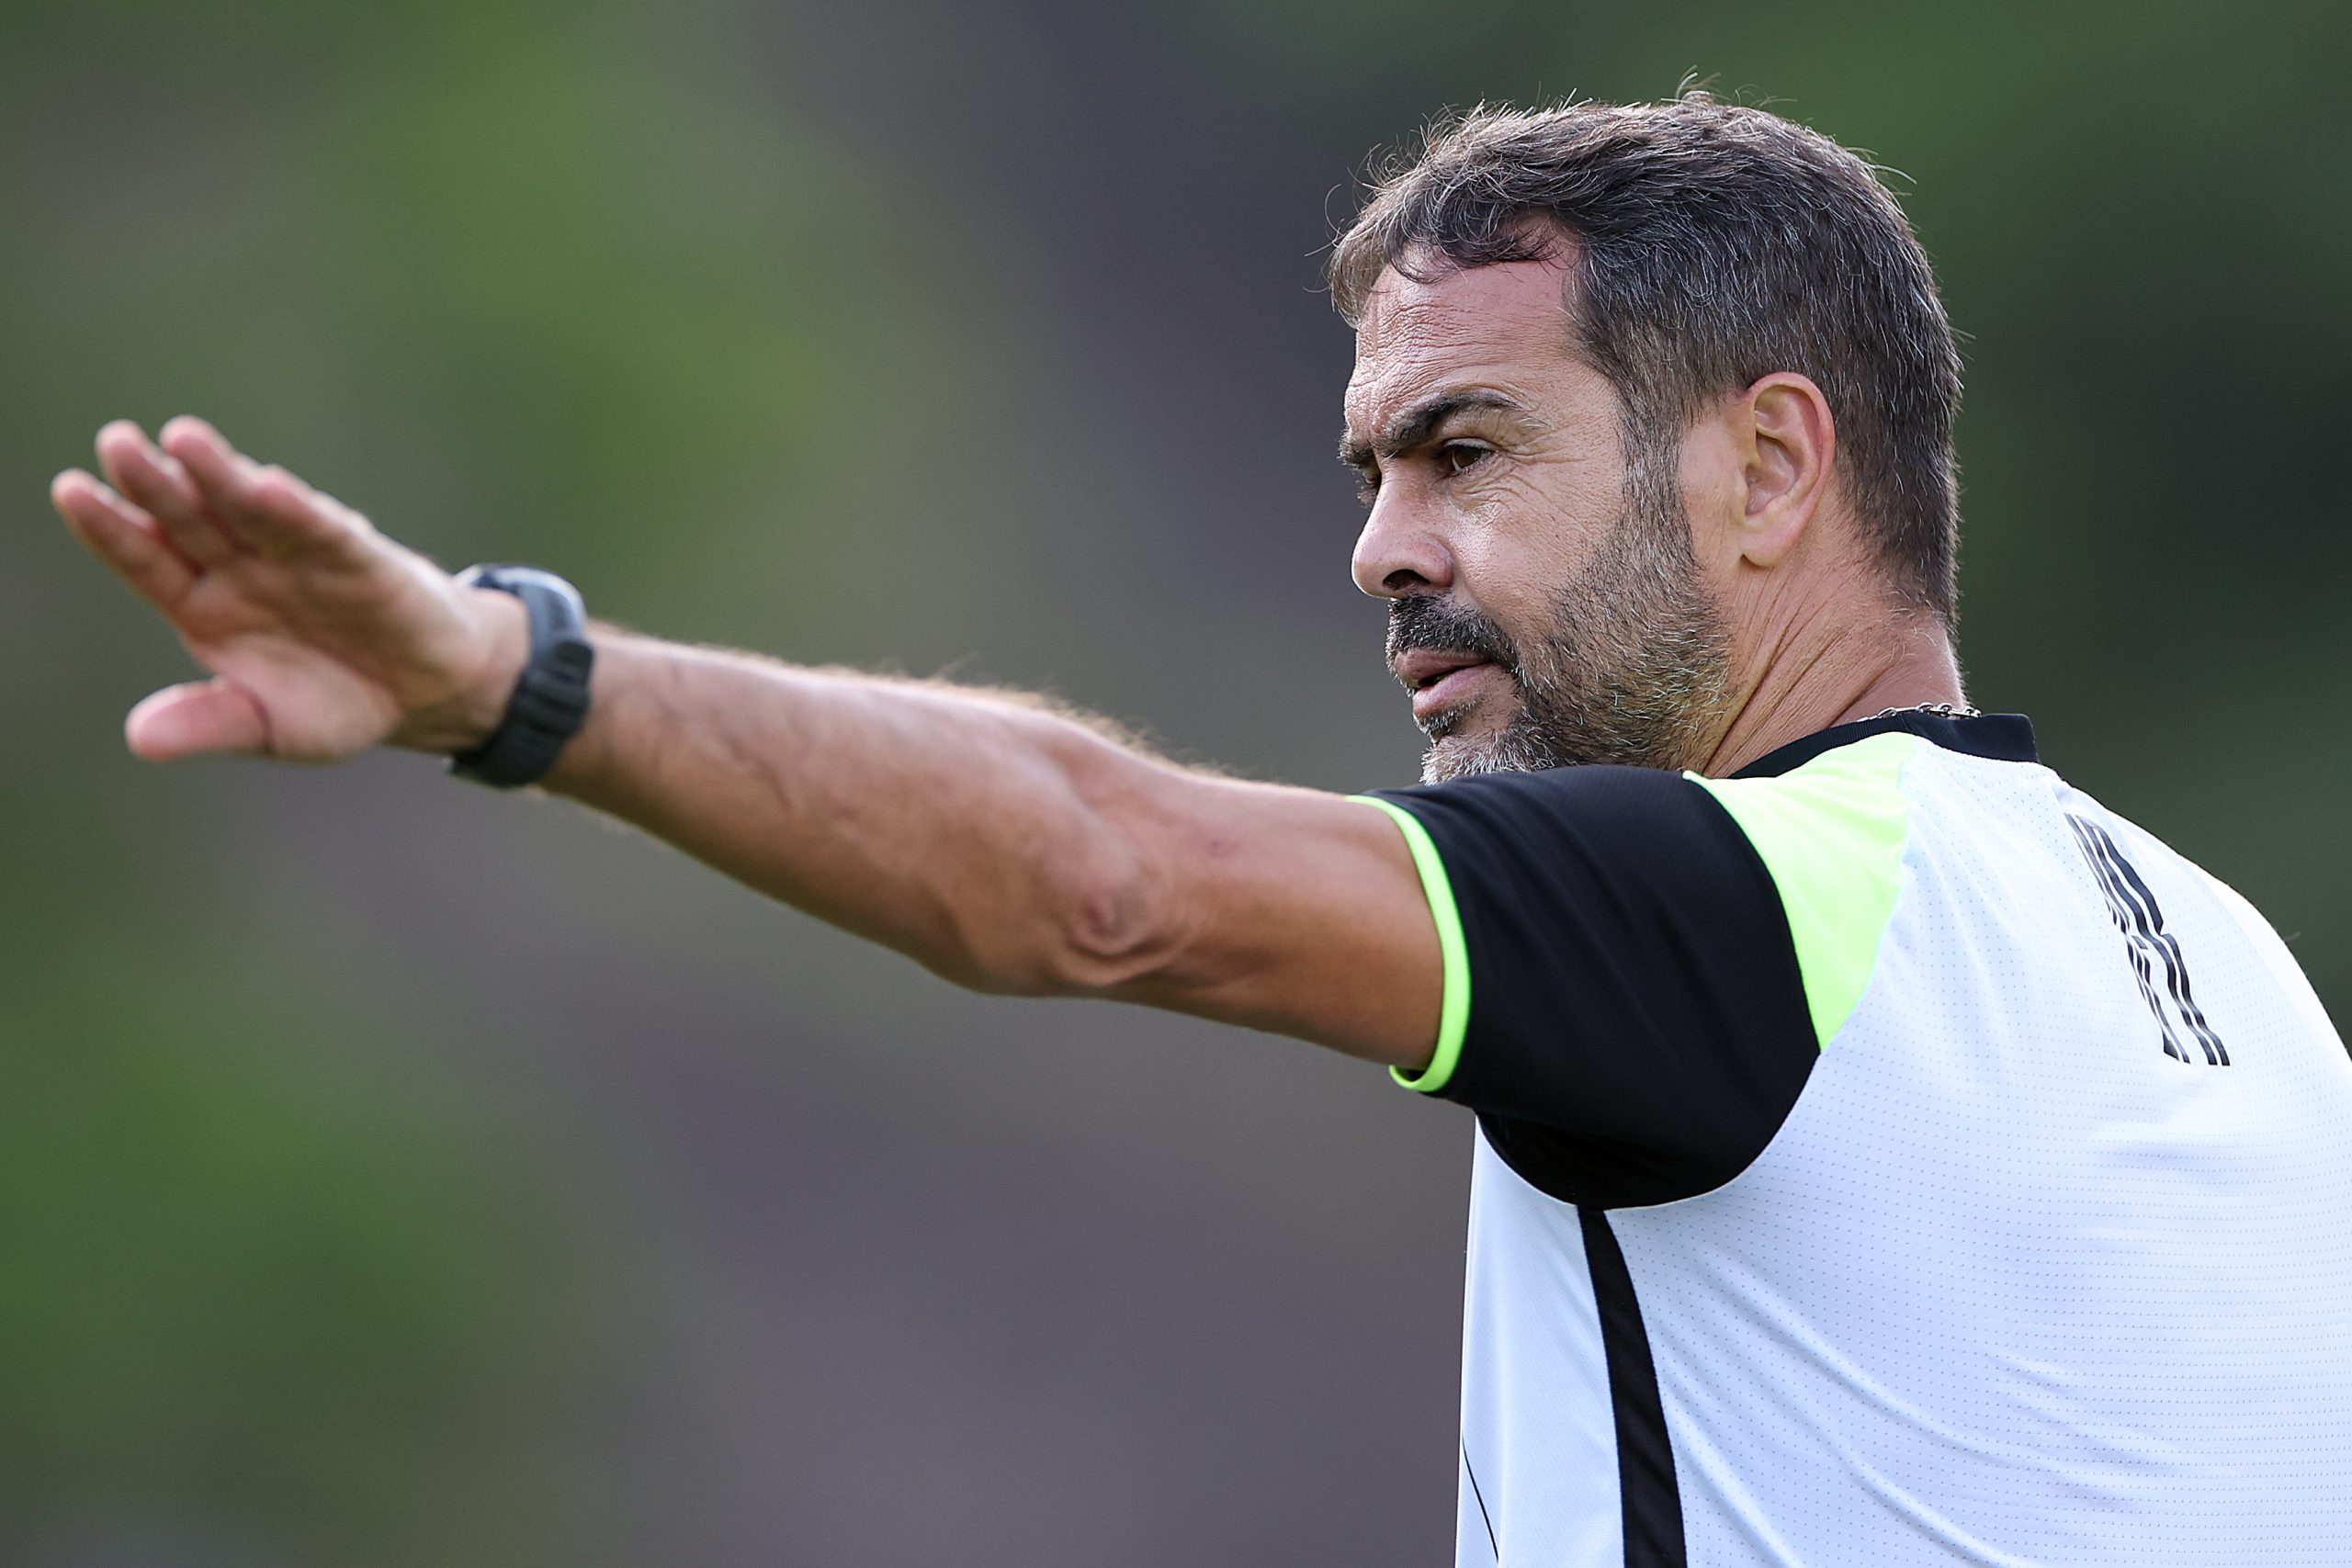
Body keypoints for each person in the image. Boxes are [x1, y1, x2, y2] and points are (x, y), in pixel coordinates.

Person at [51, 95, 2352, 1567]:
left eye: (1463, 452)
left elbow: (1104, 875)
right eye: (1367, 472)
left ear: (1768, 466)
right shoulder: (2238, 975)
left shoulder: (1750, 908)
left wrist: (503, 679)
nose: (1377, 546)